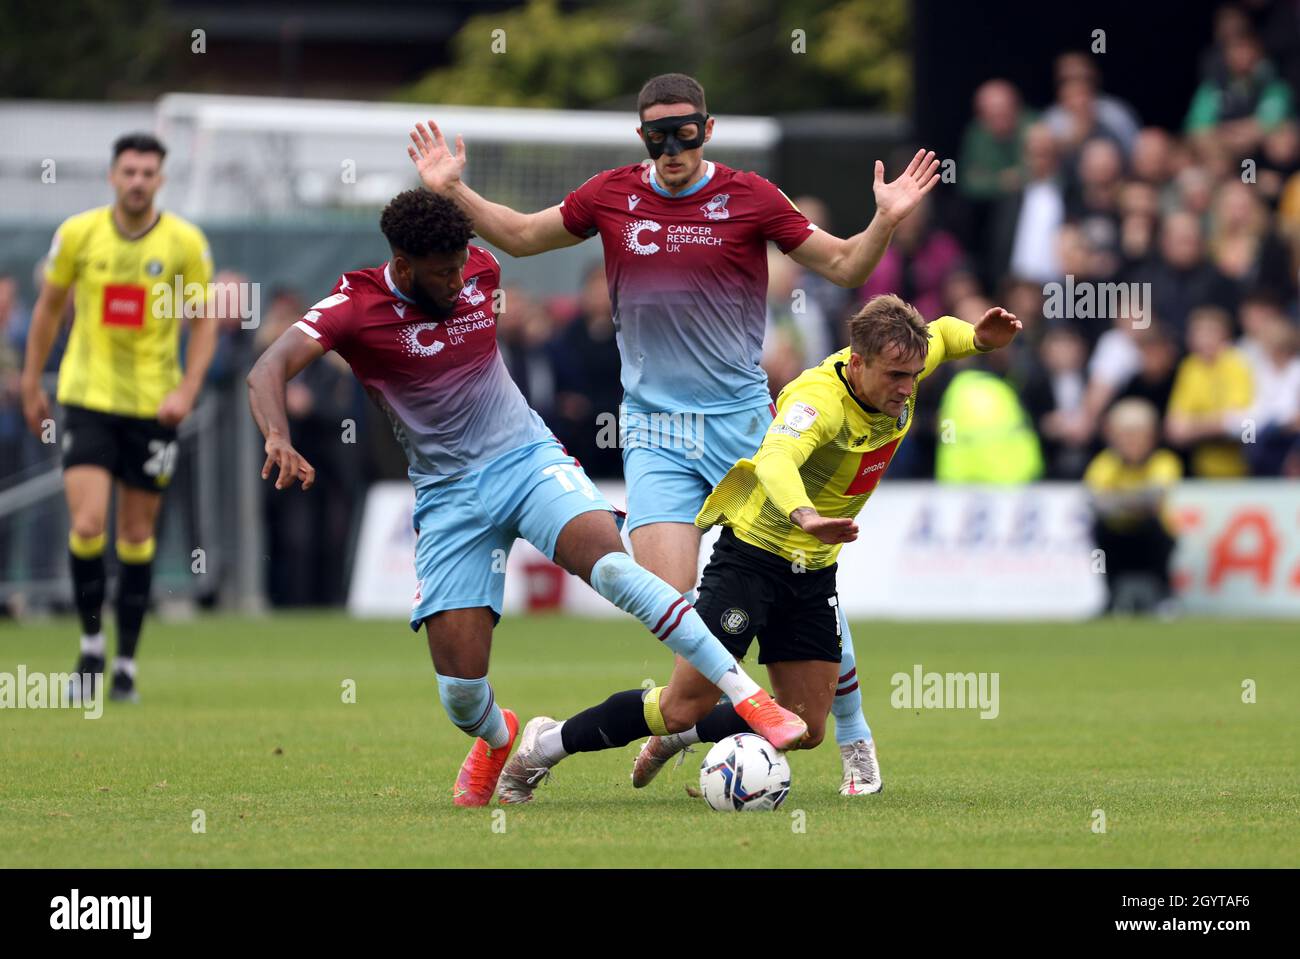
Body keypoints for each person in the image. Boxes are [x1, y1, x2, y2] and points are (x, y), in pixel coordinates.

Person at [407, 72, 941, 796]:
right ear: (642, 139)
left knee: (802, 573)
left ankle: (852, 735)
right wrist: (453, 189)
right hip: (657, 434)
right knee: (668, 595)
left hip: (745, 428)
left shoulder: (752, 197)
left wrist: (885, 220)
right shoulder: (611, 194)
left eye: (685, 132)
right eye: (658, 135)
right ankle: (692, 718)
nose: (672, 148)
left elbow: (846, 263)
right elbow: (522, 235)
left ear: (707, 130)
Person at [245, 190, 805, 807]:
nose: (460, 279)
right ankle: (498, 736)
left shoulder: (482, 269)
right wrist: (277, 434)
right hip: (449, 497)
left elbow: (512, 245)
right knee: (460, 695)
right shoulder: (354, 305)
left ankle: (748, 695)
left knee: (616, 569)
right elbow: (267, 368)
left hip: (527, 460)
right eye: (442, 272)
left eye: (462, 264)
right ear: (403, 268)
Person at [493, 296, 1022, 802]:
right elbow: (775, 460)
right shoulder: (817, 401)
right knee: (679, 705)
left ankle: (686, 738)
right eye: (896, 377)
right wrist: (806, 514)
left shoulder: (902, 361)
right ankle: (548, 744)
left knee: (804, 727)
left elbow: (944, 337)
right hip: (752, 559)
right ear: (858, 363)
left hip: (813, 571)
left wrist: (976, 338)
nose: (908, 388)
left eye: (914, 374)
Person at [19, 133, 216, 703]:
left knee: (136, 535)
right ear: (112, 176)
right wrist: (31, 382)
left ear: (160, 180)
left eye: (147, 173)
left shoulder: (184, 242)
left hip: (154, 406)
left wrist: (189, 386)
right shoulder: (79, 234)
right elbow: (49, 309)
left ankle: (126, 661)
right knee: (87, 525)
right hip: (87, 398)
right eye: (128, 171)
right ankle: (88, 643)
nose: (137, 181)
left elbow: (203, 321)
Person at [1084, 398, 1181, 613]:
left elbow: (1154, 499)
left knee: (1157, 529)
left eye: (1138, 435)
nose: (1132, 442)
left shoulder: (1163, 461)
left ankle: (1164, 597)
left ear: (1151, 437)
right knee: (1098, 531)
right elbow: (1096, 503)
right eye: (1126, 435)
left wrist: (1118, 500)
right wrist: (1136, 501)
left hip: (1151, 541)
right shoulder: (1104, 463)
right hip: (1117, 539)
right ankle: (1108, 597)